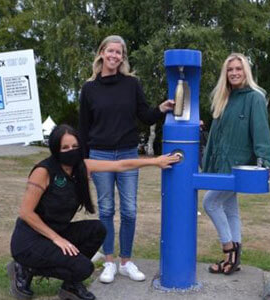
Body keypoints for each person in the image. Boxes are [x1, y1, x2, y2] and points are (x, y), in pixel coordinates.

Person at [7, 124, 179, 300]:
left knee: (98, 229)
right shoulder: (43, 171)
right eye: (65, 147)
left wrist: (155, 161)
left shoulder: (83, 166)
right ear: (55, 148)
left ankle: (70, 285)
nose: (71, 151)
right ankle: (24, 267)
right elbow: (26, 213)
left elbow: (119, 165)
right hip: (29, 240)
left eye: (74, 146)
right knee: (84, 268)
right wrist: (57, 239)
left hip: (57, 231)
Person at [78, 35, 175, 283]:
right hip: (99, 155)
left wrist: (161, 109)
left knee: (130, 210)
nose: (114, 56)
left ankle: (126, 261)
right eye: (110, 51)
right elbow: (83, 127)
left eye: (118, 52)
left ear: (123, 57)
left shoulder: (132, 84)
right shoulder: (89, 88)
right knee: (107, 209)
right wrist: (84, 162)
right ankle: (109, 261)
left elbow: (145, 115)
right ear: (101, 53)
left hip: (128, 153)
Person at [202, 53, 270, 275]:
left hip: (239, 166)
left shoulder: (255, 97)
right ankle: (234, 261)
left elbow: (261, 131)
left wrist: (267, 162)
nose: (234, 73)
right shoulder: (223, 97)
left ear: (246, 72)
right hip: (221, 164)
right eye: (230, 69)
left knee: (210, 202)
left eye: (238, 69)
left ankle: (229, 249)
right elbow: (217, 136)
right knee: (230, 208)